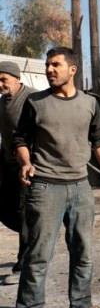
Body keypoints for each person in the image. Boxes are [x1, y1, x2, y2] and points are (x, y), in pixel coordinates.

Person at [11, 47, 100, 308]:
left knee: (83, 250)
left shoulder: (89, 103)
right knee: (38, 254)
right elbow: (20, 139)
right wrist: (26, 163)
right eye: (47, 65)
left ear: (72, 69)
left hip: (80, 187)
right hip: (45, 186)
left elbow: (99, 141)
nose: (49, 70)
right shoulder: (36, 102)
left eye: (56, 65)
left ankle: (81, 304)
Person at [0, 61, 36, 285]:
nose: (0, 84)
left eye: (3, 79)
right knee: (6, 208)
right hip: (7, 163)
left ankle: (25, 262)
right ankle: (34, 239)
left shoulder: (32, 99)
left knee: (25, 213)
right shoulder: (2, 102)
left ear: (17, 78)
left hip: (28, 165)